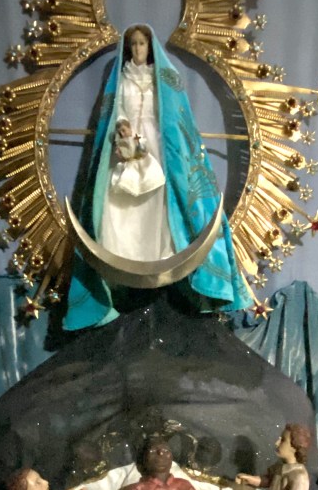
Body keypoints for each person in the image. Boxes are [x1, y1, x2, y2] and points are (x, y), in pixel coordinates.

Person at [64, 23, 251, 330]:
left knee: (162, 211)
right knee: (121, 211)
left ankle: (163, 269)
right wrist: (122, 126)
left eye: (142, 44)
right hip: (127, 149)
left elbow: (178, 118)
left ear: (150, 47)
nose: (138, 49)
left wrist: (168, 149)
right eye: (133, 44)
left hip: (160, 151)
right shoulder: (121, 79)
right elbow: (115, 111)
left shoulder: (165, 78)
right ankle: (123, 270)